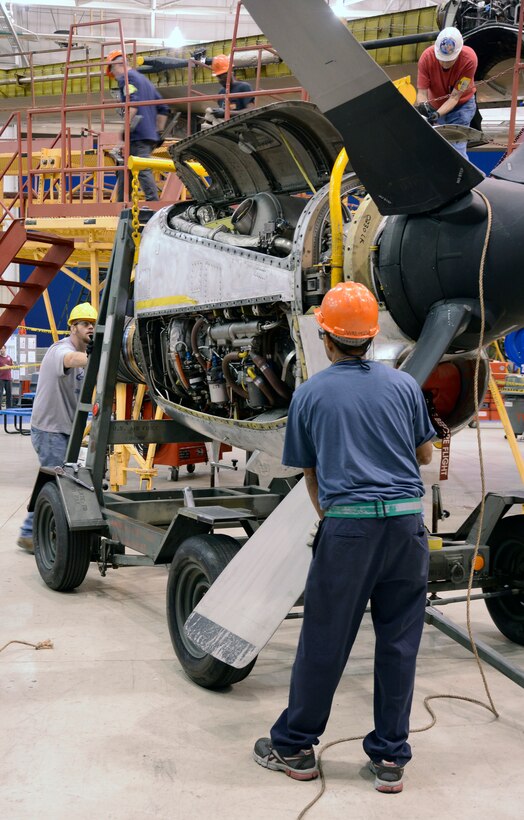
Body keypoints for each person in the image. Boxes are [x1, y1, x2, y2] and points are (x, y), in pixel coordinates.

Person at [253, 282, 435, 793]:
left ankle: (295, 747)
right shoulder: (402, 386)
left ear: (326, 339)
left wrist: (336, 519)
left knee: (325, 640)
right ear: (372, 337)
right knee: (399, 643)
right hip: (406, 526)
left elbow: (309, 471)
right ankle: (390, 759)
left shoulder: (310, 394)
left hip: (350, 529)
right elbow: (423, 457)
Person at [17, 303, 97, 554]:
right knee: (56, 484)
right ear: (72, 328)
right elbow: (72, 359)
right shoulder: (60, 350)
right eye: (85, 324)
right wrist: (103, 353)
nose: (90, 328)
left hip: (67, 430)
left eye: (93, 324)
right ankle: (30, 532)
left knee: (62, 483)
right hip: (50, 430)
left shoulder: (85, 358)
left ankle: (34, 531)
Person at [106, 50, 170, 202]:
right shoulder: (144, 81)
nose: (114, 77)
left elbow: (132, 105)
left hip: (137, 135)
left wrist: (124, 132)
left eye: (112, 72)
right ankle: (121, 205)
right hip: (148, 135)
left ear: (117, 66)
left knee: (142, 170)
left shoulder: (126, 79)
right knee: (124, 170)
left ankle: (153, 205)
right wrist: (158, 131)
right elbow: (163, 109)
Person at [416, 26, 478, 159]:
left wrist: (437, 115)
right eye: (441, 59)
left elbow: (455, 97)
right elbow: (421, 93)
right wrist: (424, 107)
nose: (444, 63)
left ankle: (464, 178)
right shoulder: (426, 58)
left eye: (449, 60)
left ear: (459, 52)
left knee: (456, 151)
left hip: (461, 106)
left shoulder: (469, 60)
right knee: (436, 149)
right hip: (435, 105)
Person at [202, 54, 254, 129]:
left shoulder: (243, 87)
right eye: (218, 77)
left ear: (231, 72)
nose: (220, 80)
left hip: (242, 127)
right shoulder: (221, 92)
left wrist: (227, 113)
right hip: (227, 128)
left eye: (222, 76)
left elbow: (251, 111)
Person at [0, 343, 15, 408]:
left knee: (9, 394)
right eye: (0, 349)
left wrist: (8, 366)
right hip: (1, 378)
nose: (1, 350)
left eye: (2, 349)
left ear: (5, 349)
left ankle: (9, 408)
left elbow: (13, 366)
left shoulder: (9, 358)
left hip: (8, 378)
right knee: (0, 394)